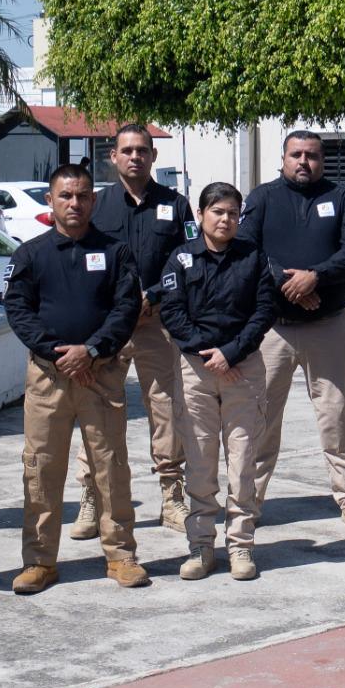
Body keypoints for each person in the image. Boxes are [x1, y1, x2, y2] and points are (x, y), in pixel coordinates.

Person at [4, 166, 146, 594]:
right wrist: (57, 353)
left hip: (100, 374)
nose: (74, 203)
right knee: (41, 468)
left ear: (93, 201)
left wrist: (93, 350)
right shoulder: (30, 254)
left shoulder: (116, 252)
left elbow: (125, 308)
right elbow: (19, 310)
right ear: (50, 200)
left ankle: (120, 555)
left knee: (110, 467)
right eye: (65, 195)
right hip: (48, 377)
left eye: (82, 196)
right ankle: (39, 561)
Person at [242, 131, 345, 531]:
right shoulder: (262, 198)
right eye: (296, 154)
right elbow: (246, 250)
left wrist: (315, 277)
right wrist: (289, 283)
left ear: (323, 160)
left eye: (312, 155)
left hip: (328, 326)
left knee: (337, 415)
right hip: (272, 330)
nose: (304, 161)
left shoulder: (344, 198)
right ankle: (248, 502)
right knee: (260, 418)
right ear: (283, 158)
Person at [160, 183, 280, 581]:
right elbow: (173, 313)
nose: (225, 219)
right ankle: (201, 545)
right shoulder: (180, 259)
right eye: (217, 212)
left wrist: (231, 352)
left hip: (243, 368)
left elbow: (264, 311)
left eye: (232, 213)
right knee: (200, 459)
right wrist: (209, 355)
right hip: (197, 370)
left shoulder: (254, 257)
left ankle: (241, 544)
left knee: (243, 460)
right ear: (200, 215)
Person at [79, 124, 194, 537]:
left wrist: (156, 295)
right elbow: (84, 258)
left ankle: (172, 496)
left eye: (142, 150)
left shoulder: (176, 205)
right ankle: (93, 497)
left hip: (155, 325)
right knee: (98, 411)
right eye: (126, 150)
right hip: (108, 326)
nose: (135, 157)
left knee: (165, 409)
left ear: (153, 156)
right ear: (113, 156)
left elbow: (189, 258)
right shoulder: (97, 205)